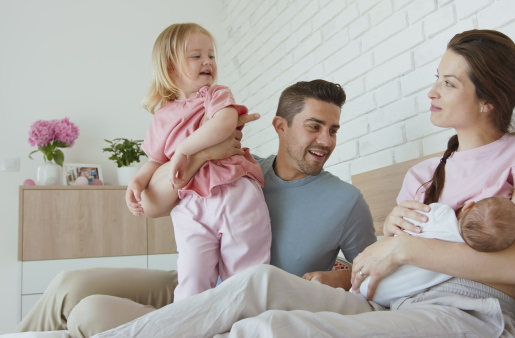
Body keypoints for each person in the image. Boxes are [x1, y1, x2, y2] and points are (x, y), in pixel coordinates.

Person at [93, 29, 515, 338]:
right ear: (280, 128)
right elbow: (381, 263)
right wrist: (356, 270)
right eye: (437, 77)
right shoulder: (422, 174)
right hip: (387, 299)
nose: (432, 91)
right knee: (258, 283)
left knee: (273, 328)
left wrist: (400, 250)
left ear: (488, 100)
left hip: (466, 314)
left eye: (449, 83)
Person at [15, 79, 376, 338]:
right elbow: (153, 204)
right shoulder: (241, 167)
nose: (326, 141)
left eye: (333, 130)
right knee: (70, 283)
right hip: (192, 279)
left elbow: (377, 276)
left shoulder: (346, 200)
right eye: (315, 127)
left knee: (90, 312)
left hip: (230, 306)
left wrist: (338, 277)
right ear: (280, 126)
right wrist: (201, 153)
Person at [128, 23, 271, 301]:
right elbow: (154, 161)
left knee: (245, 276)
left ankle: (244, 323)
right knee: (191, 280)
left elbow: (225, 123)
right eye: (196, 56)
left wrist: (184, 148)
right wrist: (137, 181)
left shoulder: (215, 95)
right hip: (189, 204)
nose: (207, 62)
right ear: (170, 68)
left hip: (234, 192)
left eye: (211, 55)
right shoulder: (161, 116)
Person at [359, 196, 515, 307]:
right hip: (386, 297)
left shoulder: (440, 212)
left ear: (468, 206)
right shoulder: (456, 263)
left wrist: (393, 236)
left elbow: (402, 225)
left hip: (367, 275)